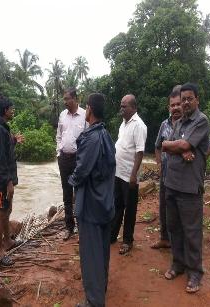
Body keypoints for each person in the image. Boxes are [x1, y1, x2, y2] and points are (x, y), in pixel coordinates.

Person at [68, 93, 116, 307]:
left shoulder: (91, 138)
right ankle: (100, 290)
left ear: (89, 109)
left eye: (86, 107)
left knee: (91, 255)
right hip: (105, 202)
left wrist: (71, 182)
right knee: (102, 251)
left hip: (91, 206)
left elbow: (81, 171)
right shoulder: (106, 134)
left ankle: (94, 301)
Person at [162, 82, 210, 293]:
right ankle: (178, 264)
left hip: (190, 187)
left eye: (190, 98)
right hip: (171, 184)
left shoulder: (201, 121)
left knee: (192, 232)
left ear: (197, 100)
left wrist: (179, 146)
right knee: (174, 228)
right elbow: (166, 144)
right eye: (183, 100)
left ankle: (195, 273)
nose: (186, 102)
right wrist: (180, 148)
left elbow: (179, 145)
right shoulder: (179, 122)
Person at [0, 96, 23, 266]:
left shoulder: (3, 129)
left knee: (7, 210)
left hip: (6, 179)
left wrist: (14, 140)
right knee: (1, 214)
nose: (13, 111)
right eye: (11, 108)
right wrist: (8, 182)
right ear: (5, 111)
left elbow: (5, 149)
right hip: (2, 181)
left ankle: (8, 241)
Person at [110, 94, 147, 255]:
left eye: (124, 106)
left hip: (129, 176)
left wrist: (134, 175)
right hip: (118, 172)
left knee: (130, 209)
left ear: (133, 108)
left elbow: (140, 152)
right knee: (117, 205)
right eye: (121, 105)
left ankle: (127, 241)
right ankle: (112, 235)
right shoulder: (123, 124)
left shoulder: (139, 125)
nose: (121, 108)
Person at [151, 87, 183, 249]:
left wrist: (200, 163)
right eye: (173, 105)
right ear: (168, 107)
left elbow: (209, 143)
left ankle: (180, 245)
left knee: (181, 210)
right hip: (166, 175)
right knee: (164, 206)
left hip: (184, 176)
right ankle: (165, 238)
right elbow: (157, 146)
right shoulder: (164, 124)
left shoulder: (191, 123)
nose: (176, 107)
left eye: (179, 104)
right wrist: (159, 164)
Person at [56, 88, 87, 240]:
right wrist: (58, 153)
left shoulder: (84, 115)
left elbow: (88, 139)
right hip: (64, 159)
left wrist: (84, 159)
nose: (65, 101)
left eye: (67, 98)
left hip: (78, 160)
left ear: (75, 99)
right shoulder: (62, 115)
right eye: (64, 99)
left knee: (80, 193)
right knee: (67, 194)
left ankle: (82, 228)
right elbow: (58, 136)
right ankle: (69, 227)